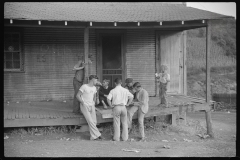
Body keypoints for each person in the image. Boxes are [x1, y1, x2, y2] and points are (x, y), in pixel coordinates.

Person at [76, 75, 102, 141]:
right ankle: (98, 134)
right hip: (84, 105)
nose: (97, 81)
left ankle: (93, 137)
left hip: (91, 105)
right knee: (90, 121)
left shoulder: (94, 88)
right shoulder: (84, 86)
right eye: (96, 80)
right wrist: (83, 103)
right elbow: (78, 96)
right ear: (92, 80)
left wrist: (94, 101)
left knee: (94, 121)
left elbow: (94, 96)